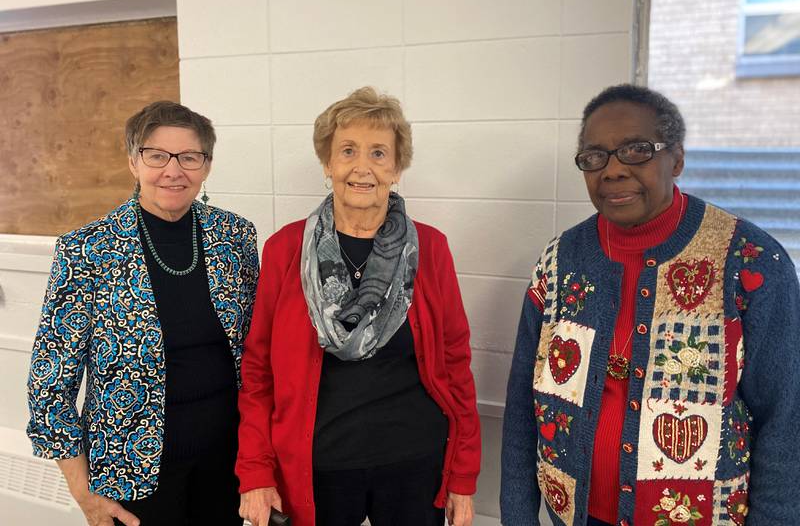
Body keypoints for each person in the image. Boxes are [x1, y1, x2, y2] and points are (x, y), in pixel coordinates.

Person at [500, 84, 800, 525]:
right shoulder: (560, 260)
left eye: (636, 150)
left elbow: (786, 419)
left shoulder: (749, 262)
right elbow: (525, 400)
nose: (613, 170)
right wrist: (518, 516)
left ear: (676, 159)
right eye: (594, 156)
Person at [236, 86, 481, 526]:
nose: (362, 167)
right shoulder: (285, 250)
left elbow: (457, 363)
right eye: (347, 151)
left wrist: (463, 477)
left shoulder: (431, 249)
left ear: (397, 169)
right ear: (328, 165)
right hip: (317, 468)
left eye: (379, 153)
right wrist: (255, 471)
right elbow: (257, 371)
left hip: (414, 465)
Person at [27, 101, 260, 526]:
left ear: (206, 166)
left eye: (189, 157)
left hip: (227, 462)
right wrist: (84, 494)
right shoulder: (87, 250)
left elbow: (255, 354)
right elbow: (49, 388)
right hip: (131, 475)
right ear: (133, 161)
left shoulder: (235, 237)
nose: (174, 171)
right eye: (157, 156)